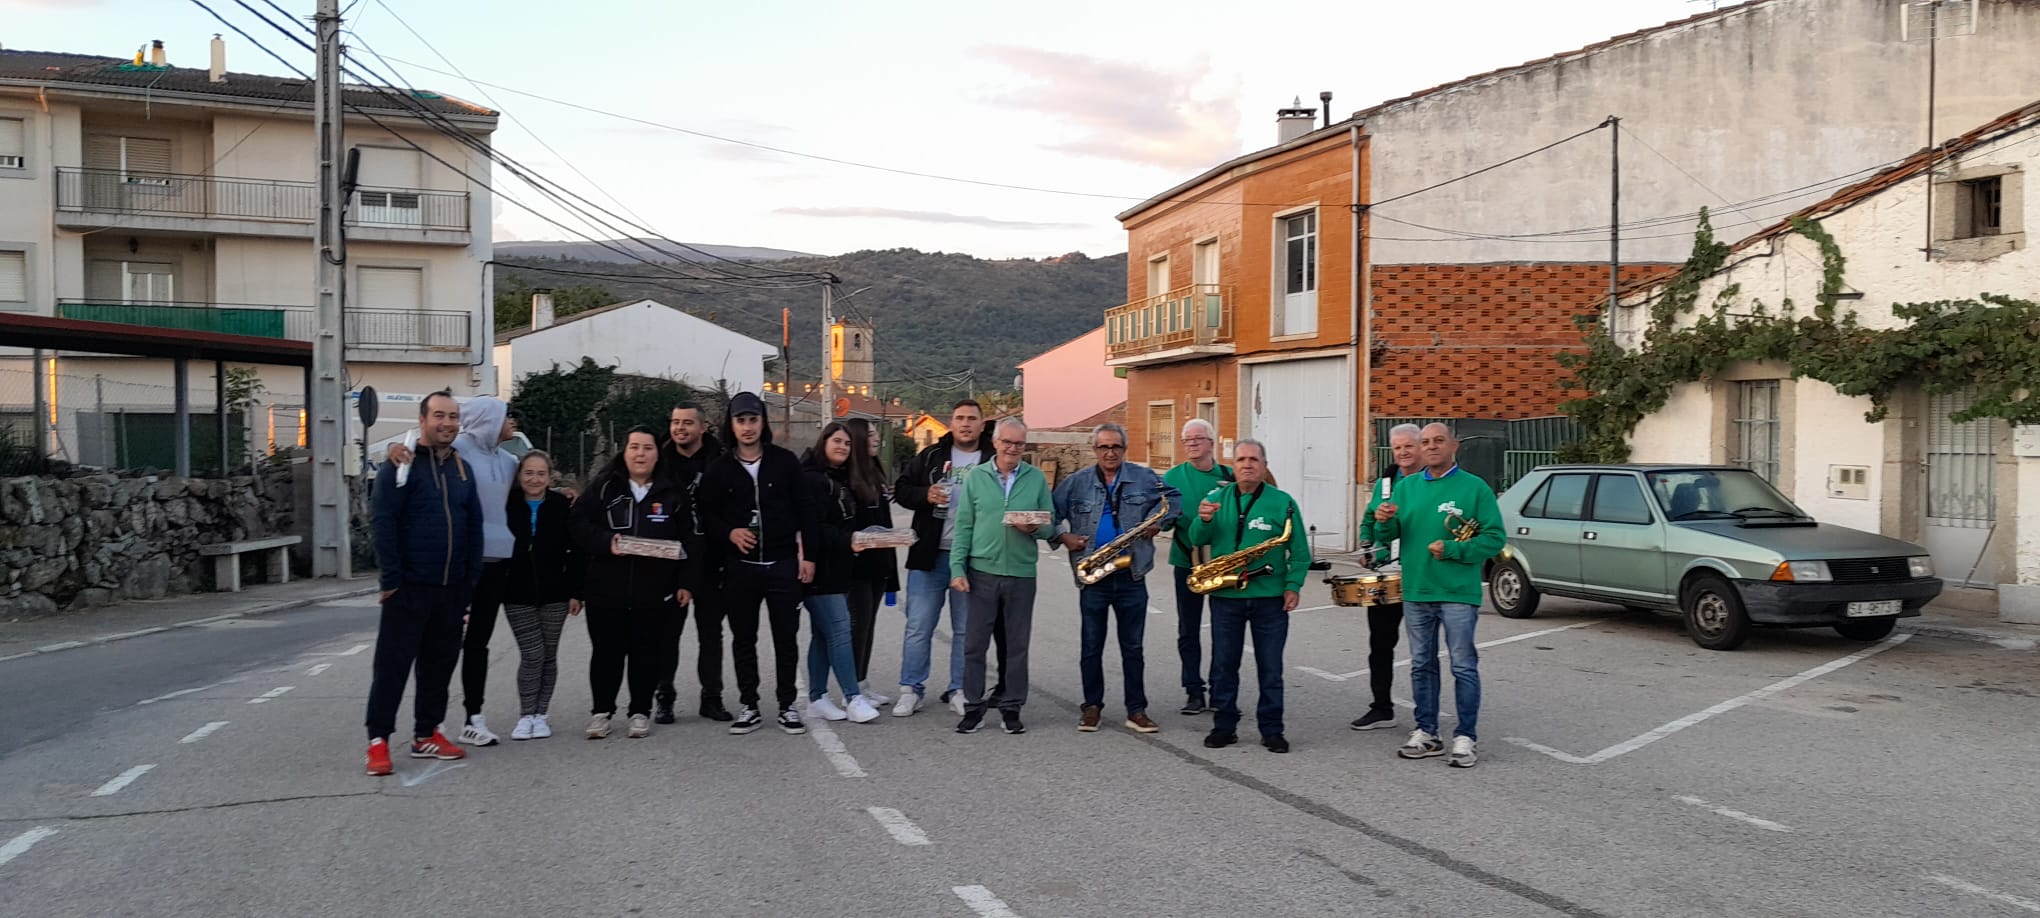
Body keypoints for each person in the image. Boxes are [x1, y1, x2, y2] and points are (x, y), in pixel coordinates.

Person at [385, 396, 519, 747]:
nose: (512, 422)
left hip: (494, 564)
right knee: (435, 650)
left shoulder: (509, 461)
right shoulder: (458, 450)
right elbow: (416, 449)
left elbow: (530, 492)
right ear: (489, 419)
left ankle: (472, 717)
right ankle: (424, 726)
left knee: (477, 645)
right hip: (454, 566)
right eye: (506, 416)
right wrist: (393, 447)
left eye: (453, 416)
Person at [1371, 423, 1505, 768]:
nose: (1430, 447)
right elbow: (1388, 535)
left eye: (1438, 441)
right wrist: (1382, 520)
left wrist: (1453, 550)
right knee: (1421, 665)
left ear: (1454, 446)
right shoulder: (1406, 487)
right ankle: (1427, 732)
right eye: (1425, 442)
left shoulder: (1475, 488)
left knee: (1463, 666)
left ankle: (1465, 737)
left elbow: (1494, 539)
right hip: (1416, 589)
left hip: (1458, 592)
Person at [363, 391, 482, 776]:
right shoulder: (400, 466)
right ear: (422, 419)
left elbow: (473, 526)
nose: (447, 423)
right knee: (392, 669)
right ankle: (378, 740)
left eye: (453, 416)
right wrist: (392, 580)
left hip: (451, 590)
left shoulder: (462, 469)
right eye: (439, 416)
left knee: (438, 667)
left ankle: (425, 734)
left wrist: (469, 585)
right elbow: (383, 523)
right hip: (409, 589)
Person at [1182, 439, 1311, 755]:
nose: (1247, 464)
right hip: (1226, 596)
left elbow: (1301, 552)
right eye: (1241, 459)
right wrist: (1204, 520)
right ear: (1234, 464)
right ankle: (1224, 727)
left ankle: (1272, 730)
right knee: (1224, 664)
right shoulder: (1215, 497)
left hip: (1270, 598)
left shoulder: (1283, 502)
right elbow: (1196, 538)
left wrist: (1293, 586)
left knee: (1271, 668)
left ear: (1264, 465)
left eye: (1254, 459)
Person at [1053, 422, 1180, 734]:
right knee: (1091, 646)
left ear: (1124, 449)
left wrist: (1158, 523)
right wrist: (1064, 536)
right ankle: (1091, 707)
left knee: (1133, 647)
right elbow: (1051, 513)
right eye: (1103, 447)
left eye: (1116, 447)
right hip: (1093, 575)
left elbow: (1173, 499)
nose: (1110, 452)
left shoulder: (1145, 477)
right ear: (1095, 449)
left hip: (1130, 574)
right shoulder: (1076, 482)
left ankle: (1136, 709)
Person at [570, 426, 697, 740]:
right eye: (634, 447)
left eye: (648, 448)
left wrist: (685, 581)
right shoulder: (604, 487)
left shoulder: (672, 492)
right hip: (605, 590)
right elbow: (577, 525)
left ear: (657, 453)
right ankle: (602, 712)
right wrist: (605, 542)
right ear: (624, 452)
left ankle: (640, 711)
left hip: (654, 592)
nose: (640, 454)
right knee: (606, 653)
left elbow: (690, 540)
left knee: (646, 653)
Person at [697, 392, 812, 736]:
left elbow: (806, 512)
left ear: (763, 422)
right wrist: (730, 533)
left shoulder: (786, 462)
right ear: (730, 426)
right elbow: (706, 516)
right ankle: (749, 705)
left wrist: (809, 558)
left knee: (785, 638)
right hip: (740, 568)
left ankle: (787, 705)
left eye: (753, 420)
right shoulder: (719, 469)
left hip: (782, 564)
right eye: (740, 421)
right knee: (743, 638)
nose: (747, 427)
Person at [892, 399, 1006, 718]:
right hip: (930, 556)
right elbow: (901, 489)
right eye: (959, 418)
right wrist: (924, 495)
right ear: (951, 424)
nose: (966, 424)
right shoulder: (931, 456)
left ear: (982, 425)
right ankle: (910, 689)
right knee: (918, 626)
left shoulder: (993, 459)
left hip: (974, 558)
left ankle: (960, 689)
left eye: (972, 418)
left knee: (966, 630)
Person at [950, 417, 1056, 736]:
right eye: (1007, 442)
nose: (1013, 449)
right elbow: (964, 525)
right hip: (982, 571)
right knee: (974, 644)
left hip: (1022, 573)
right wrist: (957, 568)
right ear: (995, 442)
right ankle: (973, 706)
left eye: (1019, 444)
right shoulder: (977, 477)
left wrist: (1035, 527)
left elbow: (1050, 525)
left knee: (1016, 645)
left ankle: (1012, 707)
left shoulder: (1036, 479)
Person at [653, 401, 734, 724]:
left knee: (711, 633)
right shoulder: (659, 459)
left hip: (713, 560)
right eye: (675, 422)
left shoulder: (722, 461)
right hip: (671, 560)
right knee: (667, 634)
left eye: (687, 423)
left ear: (703, 427)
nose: (680, 429)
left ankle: (711, 697)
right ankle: (664, 697)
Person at [800, 422, 883, 724]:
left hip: (839, 566)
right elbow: (814, 527)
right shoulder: (811, 479)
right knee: (839, 628)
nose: (842, 447)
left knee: (822, 635)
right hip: (817, 568)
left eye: (847, 444)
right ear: (823, 442)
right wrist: (847, 539)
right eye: (837, 441)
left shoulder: (840, 478)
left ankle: (817, 697)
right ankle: (853, 697)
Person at [502, 450, 580, 740]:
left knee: (549, 655)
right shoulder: (507, 505)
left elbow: (573, 553)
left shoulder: (561, 506)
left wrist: (575, 592)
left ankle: (541, 714)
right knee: (532, 653)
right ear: (519, 476)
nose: (534, 479)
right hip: (516, 593)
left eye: (541, 474)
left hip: (555, 593)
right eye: (528, 473)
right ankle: (525, 715)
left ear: (550, 477)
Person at [1350, 423, 1423, 732]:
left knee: (1423, 649)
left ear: (1421, 448)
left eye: (1409, 446)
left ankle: (1426, 715)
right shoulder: (1385, 484)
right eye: (1398, 447)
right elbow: (1368, 520)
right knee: (1380, 643)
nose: (1403, 452)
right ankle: (1381, 708)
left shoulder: (1429, 481)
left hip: (1421, 576)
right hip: (1386, 574)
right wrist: (1367, 546)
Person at [1161, 418, 1232, 716]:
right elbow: (1163, 517)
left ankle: (1220, 690)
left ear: (1211, 443)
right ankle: (1193, 690)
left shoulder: (1229, 476)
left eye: (1197, 438)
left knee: (1223, 630)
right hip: (1186, 563)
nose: (1191, 443)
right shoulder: (1172, 476)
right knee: (1188, 629)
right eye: (1186, 439)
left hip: (1221, 566)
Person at [842, 418, 899, 706]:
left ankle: (862, 683)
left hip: (879, 562)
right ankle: (850, 690)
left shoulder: (875, 474)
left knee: (869, 623)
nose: (876, 439)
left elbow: (884, 523)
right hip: (857, 566)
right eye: (871, 434)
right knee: (858, 623)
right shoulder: (847, 478)